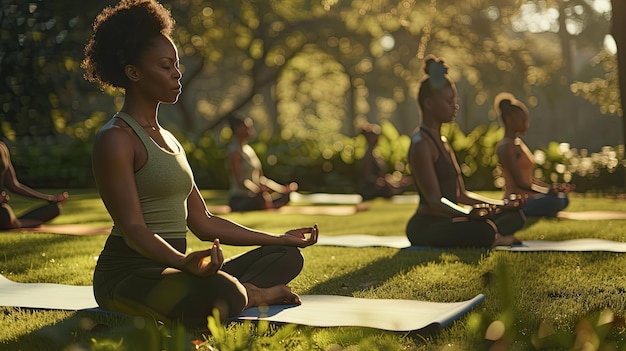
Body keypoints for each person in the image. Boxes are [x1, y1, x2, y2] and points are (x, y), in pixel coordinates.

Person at [82, 0, 318, 326]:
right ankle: (253, 294)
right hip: (129, 275)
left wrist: (279, 238)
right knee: (224, 290)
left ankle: (234, 290)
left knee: (285, 257)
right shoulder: (116, 138)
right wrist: (182, 262)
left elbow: (203, 220)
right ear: (133, 72)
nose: (177, 74)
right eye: (165, 66)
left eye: (176, 65)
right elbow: (133, 229)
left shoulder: (170, 139)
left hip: (175, 270)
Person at [405, 55, 525, 248]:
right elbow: (435, 200)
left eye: (455, 100)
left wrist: (499, 206)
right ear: (429, 104)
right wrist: (467, 214)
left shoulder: (443, 142)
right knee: (483, 230)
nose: (455, 106)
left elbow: (461, 195)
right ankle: (497, 238)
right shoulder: (421, 144)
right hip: (428, 225)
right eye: (448, 101)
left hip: (452, 221)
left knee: (514, 215)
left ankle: (494, 235)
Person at [494, 92, 572, 218]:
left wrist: (551, 188)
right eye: (522, 120)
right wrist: (547, 192)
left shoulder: (518, 144)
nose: (526, 124)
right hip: (518, 201)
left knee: (561, 198)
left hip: (531, 198)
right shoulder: (506, 147)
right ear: (509, 119)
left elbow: (529, 180)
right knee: (555, 201)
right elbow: (519, 183)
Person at [227, 114, 298, 212]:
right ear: (237, 129)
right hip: (241, 198)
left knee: (285, 196)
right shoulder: (235, 152)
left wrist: (282, 189)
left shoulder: (249, 150)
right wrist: (257, 190)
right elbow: (241, 181)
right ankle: (268, 205)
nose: (250, 129)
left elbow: (261, 179)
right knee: (260, 198)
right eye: (247, 127)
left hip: (257, 195)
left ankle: (268, 205)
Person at [0, 140, 68, 230]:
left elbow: (14, 186)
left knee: (54, 208)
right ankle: (19, 223)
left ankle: (16, 222)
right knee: (5, 213)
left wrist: (51, 198)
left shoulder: (2, 148)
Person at [358, 123, 412, 201]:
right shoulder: (368, 155)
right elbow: (368, 176)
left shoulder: (375, 154)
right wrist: (381, 182)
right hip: (371, 189)